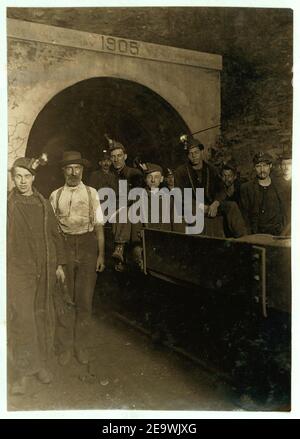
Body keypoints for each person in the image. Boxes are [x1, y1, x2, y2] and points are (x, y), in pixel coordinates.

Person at [7, 157, 66, 395]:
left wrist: (60, 264)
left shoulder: (42, 203)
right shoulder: (8, 204)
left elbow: (55, 233)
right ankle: (22, 372)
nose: (22, 181)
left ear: (33, 178)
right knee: (22, 319)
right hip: (17, 269)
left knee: (42, 315)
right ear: (13, 178)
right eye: (18, 176)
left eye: (27, 176)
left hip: (44, 267)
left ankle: (39, 364)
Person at [50, 151, 105, 366]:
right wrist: (57, 260)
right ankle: (64, 347)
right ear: (63, 170)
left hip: (88, 246)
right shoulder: (55, 196)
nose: (74, 173)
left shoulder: (92, 193)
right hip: (64, 246)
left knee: (84, 300)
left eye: (78, 168)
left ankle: (80, 347)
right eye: (69, 168)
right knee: (65, 298)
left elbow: (99, 227)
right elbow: (52, 231)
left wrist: (101, 254)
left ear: (82, 170)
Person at [174, 137, 247, 237]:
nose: (194, 156)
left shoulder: (211, 169)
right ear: (187, 155)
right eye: (190, 153)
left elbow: (221, 189)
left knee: (232, 206)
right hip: (193, 207)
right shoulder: (181, 172)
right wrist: (200, 207)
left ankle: (244, 239)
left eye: (196, 152)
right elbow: (180, 196)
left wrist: (215, 203)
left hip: (211, 206)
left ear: (202, 152)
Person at [107, 138, 143, 269]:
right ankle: (125, 252)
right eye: (113, 157)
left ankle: (121, 248)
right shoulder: (110, 176)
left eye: (119, 156)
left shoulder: (134, 173)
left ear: (125, 156)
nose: (116, 159)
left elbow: (136, 196)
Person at [240, 151, 285, 235]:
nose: (262, 170)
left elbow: (285, 212)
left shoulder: (280, 186)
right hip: (257, 233)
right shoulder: (246, 188)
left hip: (277, 233)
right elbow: (245, 216)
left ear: (270, 166)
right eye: (258, 166)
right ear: (254, 168)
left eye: (265, 165)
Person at [277, 151, 292, 235]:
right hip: (279, 222)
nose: (286, 167)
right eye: (283, 164)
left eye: (289, 164)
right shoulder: (275, 182)